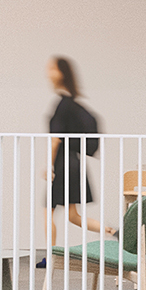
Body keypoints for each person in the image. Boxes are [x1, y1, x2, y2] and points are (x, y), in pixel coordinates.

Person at [46, 57, 111, 248]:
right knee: (73, 215)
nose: (48, 73)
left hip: (63, 165)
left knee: (48, 212)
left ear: (62, 73)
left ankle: (51, 256)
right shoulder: (70, 104)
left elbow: (55, 140)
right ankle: (113, 231)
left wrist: (49, 166)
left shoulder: (63, 104)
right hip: (73, 163)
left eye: (52, 69)